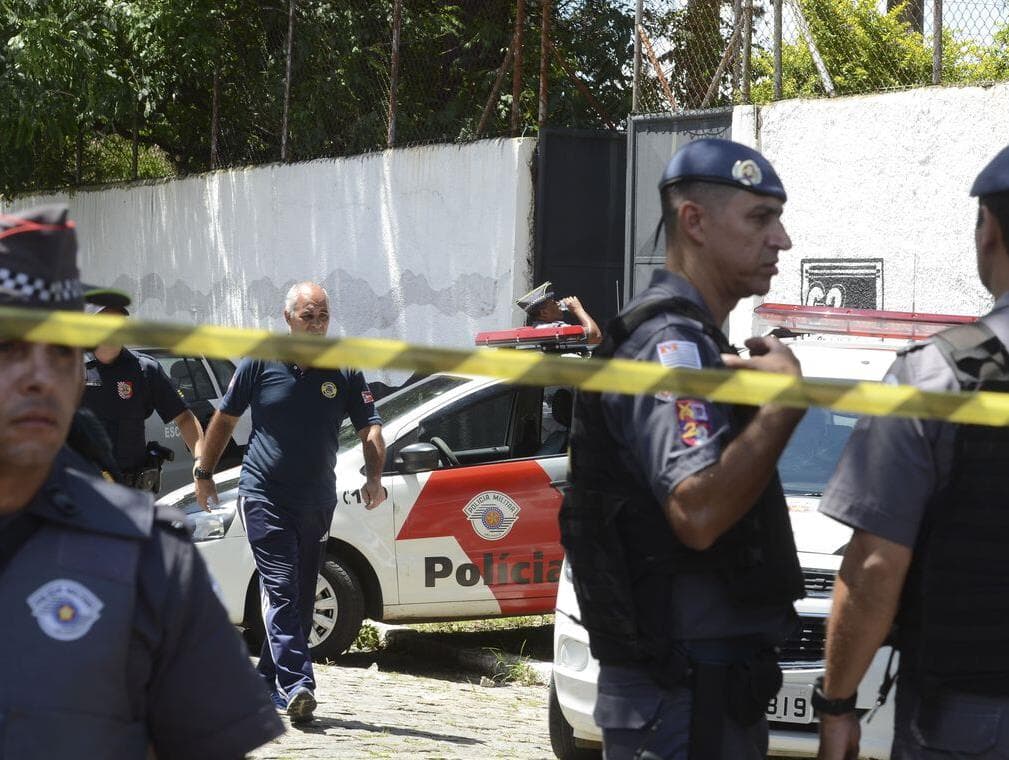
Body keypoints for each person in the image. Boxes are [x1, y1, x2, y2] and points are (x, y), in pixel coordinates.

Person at [0, 205, 284, 758]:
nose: (39, 376)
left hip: (123, 486)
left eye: (59, 350)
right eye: (9, 347)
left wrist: (201, 465)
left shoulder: (151, 560)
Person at [559, 138, 807, 760]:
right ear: (694, 221)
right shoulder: (669, 343)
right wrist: (782, 409)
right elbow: (696, 512)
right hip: (682, 697)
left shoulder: (692, 340)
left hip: (704, 692)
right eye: (761, 218)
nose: (781, 240)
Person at [815, 147, 1009, 759]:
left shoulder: (938, 376)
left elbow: (875, 565)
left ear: (989, 231)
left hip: (973, 713)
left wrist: (837, 705)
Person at [198, 280, 387, 723]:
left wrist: (375, 475)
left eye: (323, 316)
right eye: (308, 316)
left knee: (301, 597)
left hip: (316, 500)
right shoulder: (260, 361)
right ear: (288, 318)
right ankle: (299, 683)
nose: (317, 324)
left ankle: (268, 682)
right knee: (281, 587)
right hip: (263, 494)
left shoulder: (343, 369)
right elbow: (225, 419)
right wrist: (204, 473)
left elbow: (371, 427)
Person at [81, 299, 216, 504]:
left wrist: (200, 462)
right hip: (84, 495)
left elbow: (184, 418)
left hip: (133, 497)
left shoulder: (144, 369)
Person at [516, 281, 602, 342]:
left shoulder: (538, 328)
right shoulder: (554, 328)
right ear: (544, 313)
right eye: (554, 303)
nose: (558, 304)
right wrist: (578, 309)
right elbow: (595, 336)